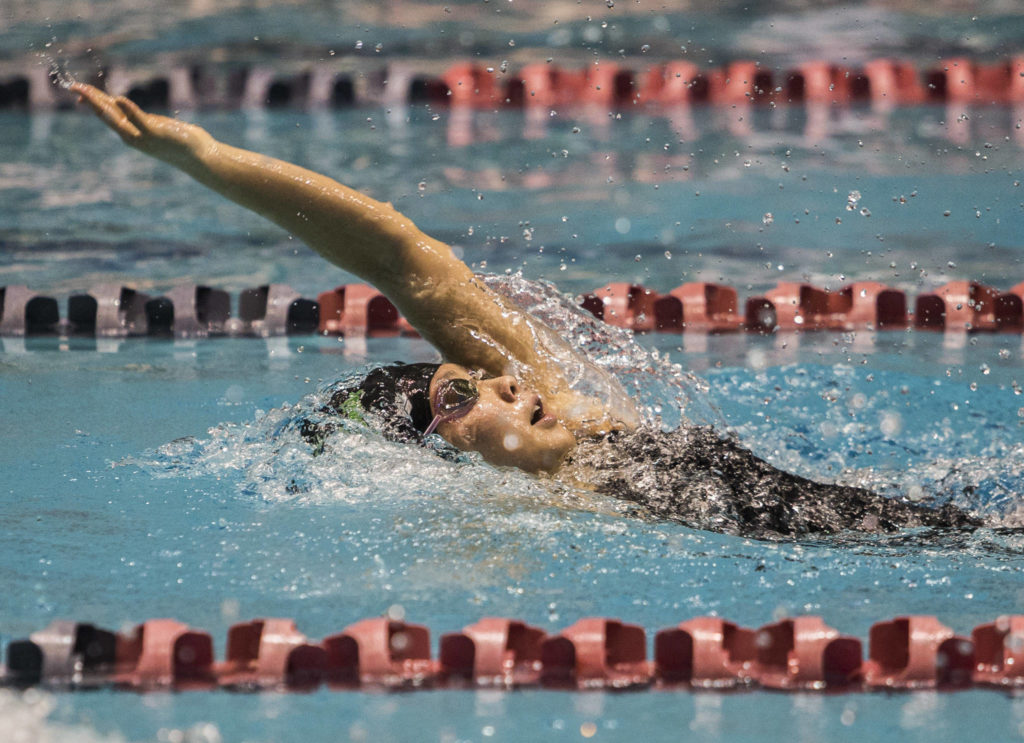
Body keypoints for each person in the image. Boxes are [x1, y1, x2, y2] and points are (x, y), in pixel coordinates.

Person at [71, 82, 980, 538]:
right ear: (429, 458)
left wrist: (193, 153)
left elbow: (396, 251)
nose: (505, 384)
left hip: (923, 525)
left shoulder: (574, 415)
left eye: (477, 376)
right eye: (464, 399)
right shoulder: (503, 519)